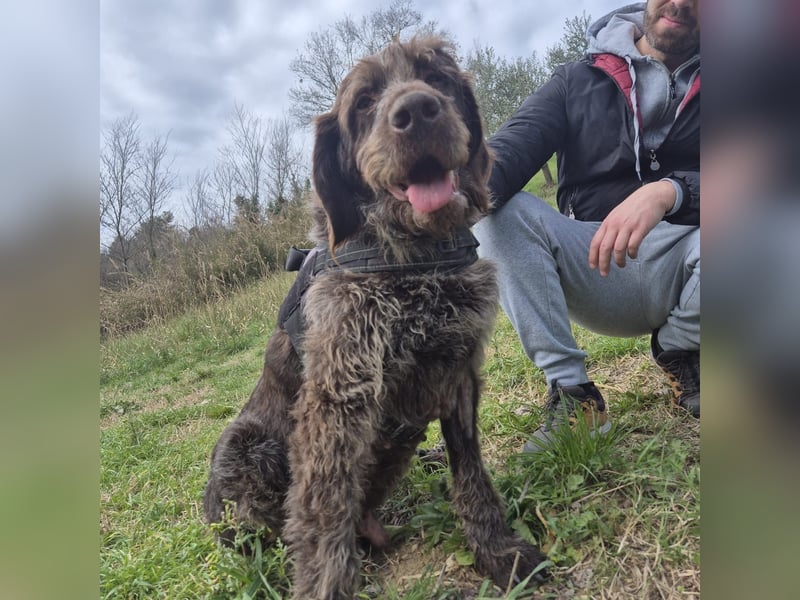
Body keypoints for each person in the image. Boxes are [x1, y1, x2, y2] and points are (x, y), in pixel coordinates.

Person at [473, 0, 700, 451]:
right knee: (494, 210)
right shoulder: (575, 79)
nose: (680, 2)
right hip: (595, 261)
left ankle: (682, 351)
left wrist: (669, 191)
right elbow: (502, 157)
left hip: (694, 258)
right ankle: (572, 393)